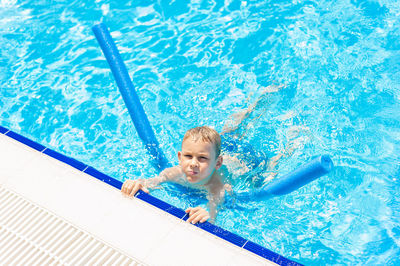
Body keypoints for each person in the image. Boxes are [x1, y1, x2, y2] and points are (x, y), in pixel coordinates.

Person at [121, 126, 232, 224]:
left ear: (217, 163)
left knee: (233, 135)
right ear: (180, 157)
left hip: (235, 165)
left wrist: (206, 213)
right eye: (188, 156)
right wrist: (138, 183)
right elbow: (152, 181)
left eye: (202, 158)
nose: (193, 164)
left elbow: (214, 208)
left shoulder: (217, 185)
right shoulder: (174, 173)